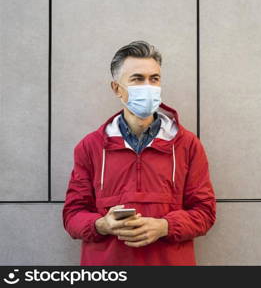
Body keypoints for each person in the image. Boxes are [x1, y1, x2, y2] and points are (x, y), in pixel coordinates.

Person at [62, 40, 216, 265]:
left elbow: (205, 212)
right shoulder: (90, 147)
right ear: (116, 88)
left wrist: (165, 226)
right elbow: (72, 215)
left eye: (154, 79)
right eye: (137, 79)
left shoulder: (187, 145)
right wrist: (101, 225)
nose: (148, 87)